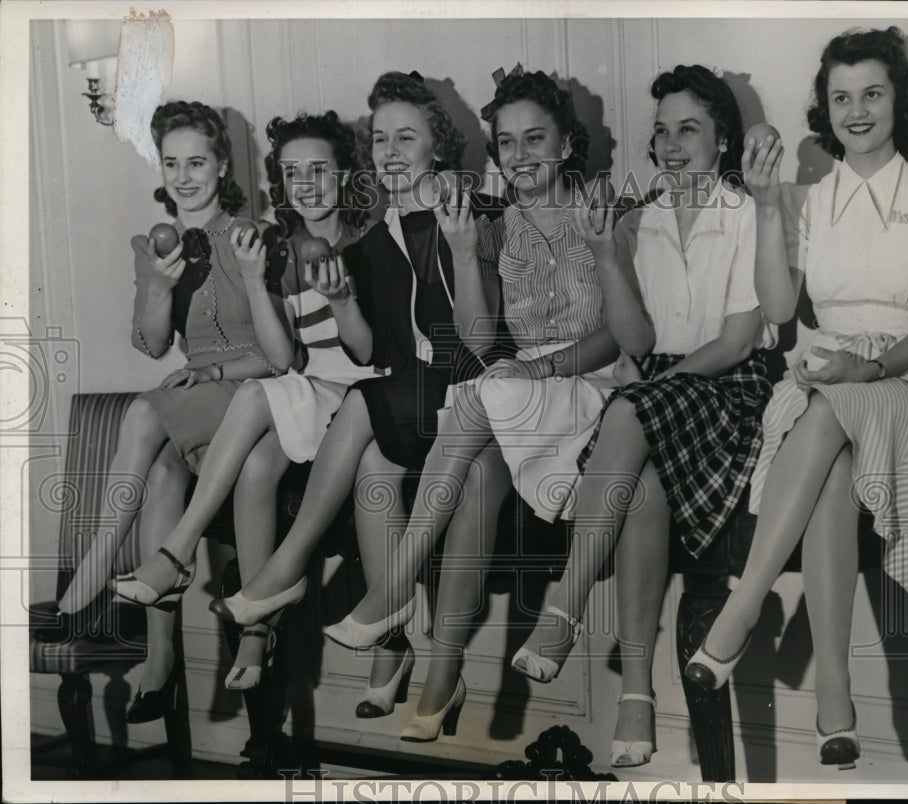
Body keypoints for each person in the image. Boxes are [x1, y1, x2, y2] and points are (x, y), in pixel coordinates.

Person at [684, 27, 908, 770]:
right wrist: (763, 206)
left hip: (905, 388)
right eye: (840, 97)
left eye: (872, 94)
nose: (856, 111)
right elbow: (780, 314)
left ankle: (742, 609)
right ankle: (836, 702)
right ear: (825, 107)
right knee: (831, 470)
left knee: (826, 409)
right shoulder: (810, 202)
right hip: (827, 383)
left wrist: (864, 370)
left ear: (898, 102)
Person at [325, 67, 621, 743]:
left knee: (475, 396)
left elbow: (621, 339)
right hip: (518, 395)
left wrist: (537, 367)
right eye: (507, 144)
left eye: (534, 139)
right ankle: (442, 669)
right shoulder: (494, 223)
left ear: (568, 144)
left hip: (587, 392)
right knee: (480, 474)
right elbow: (481, 341)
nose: (519, 157)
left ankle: (391, 590)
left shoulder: (601, 209)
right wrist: (462, 251)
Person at [208, 73, 501, 724]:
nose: (390, 151)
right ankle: (389, 619)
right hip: (419, 402)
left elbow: (479, 349)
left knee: (367, 403)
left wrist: (460, 249)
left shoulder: (471, 215)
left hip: (480, 395)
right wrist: (343, 302)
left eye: (407, 136)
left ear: (439, 147)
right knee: (372, 462)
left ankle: (287, 568)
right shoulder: (375, 240)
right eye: (380, 139)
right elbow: (376, 354)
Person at [511, 65, 774, 767]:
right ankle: (636, 701)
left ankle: (563, 609)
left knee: (631, 407)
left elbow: (739, 339)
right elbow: (635, 343)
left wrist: (653, 386)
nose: (671, 143)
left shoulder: (747, 214)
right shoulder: (638, 222)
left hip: (727, 391)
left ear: (722, 140)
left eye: (689, 129)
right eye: (661, 131)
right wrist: (602, 251)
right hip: (659, 395)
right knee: (642, 489)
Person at [36, 101, 291, 722]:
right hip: (198, 398)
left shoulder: (254, 237)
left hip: (250, 394)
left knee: (146, 413)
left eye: (196, 162)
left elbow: (282, 357)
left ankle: (102, 558)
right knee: (161, 475)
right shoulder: (153, 244)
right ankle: (161, 654)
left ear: (222, 164)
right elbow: (152, 344)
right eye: (171, 162)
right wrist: (157, 285)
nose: (183, 176)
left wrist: (212, 369)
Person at [111, 111, 379, 692]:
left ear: (347, 176)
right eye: (291, 174)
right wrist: (257, 284)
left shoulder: (368, 245)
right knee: (256, 470)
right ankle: (257, 635)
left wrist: (341, 299)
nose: (305, 185)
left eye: (319, 171)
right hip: (299, 389)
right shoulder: (282, 254)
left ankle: (177, 550)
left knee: (259, 393)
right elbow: (281, 354)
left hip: (351, 397)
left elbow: (365, 354)